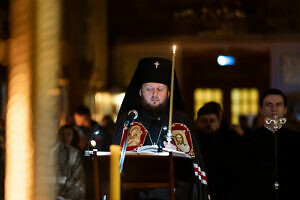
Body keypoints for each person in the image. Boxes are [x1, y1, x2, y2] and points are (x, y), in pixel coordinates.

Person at [113, 57, 208, 200]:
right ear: (140, 92)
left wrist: (179, 155)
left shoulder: (181, 123)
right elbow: (114, 171)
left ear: (169, 92)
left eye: (160, 89)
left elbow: (195, 175)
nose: (155, 94)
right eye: (149, 89)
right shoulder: (129, 121)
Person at [238, 88, 300, 200]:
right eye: (269, 105)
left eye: (278, 105)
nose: (274, 109)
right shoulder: (248, 140)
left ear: (285, 109)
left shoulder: (296, 140)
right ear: (261, 109)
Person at [196, 102, 240, 200]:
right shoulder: (194, 140)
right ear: (198, 122)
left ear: (218, 123)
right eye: (204, 121)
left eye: (212, 121)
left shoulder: (230, 140)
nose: (208, 124)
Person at [50, 128, 86, 200]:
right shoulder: (51, 152)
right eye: (63, 134)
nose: (65, 137)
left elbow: (78, 185)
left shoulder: (75, 154)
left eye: (69, 134)